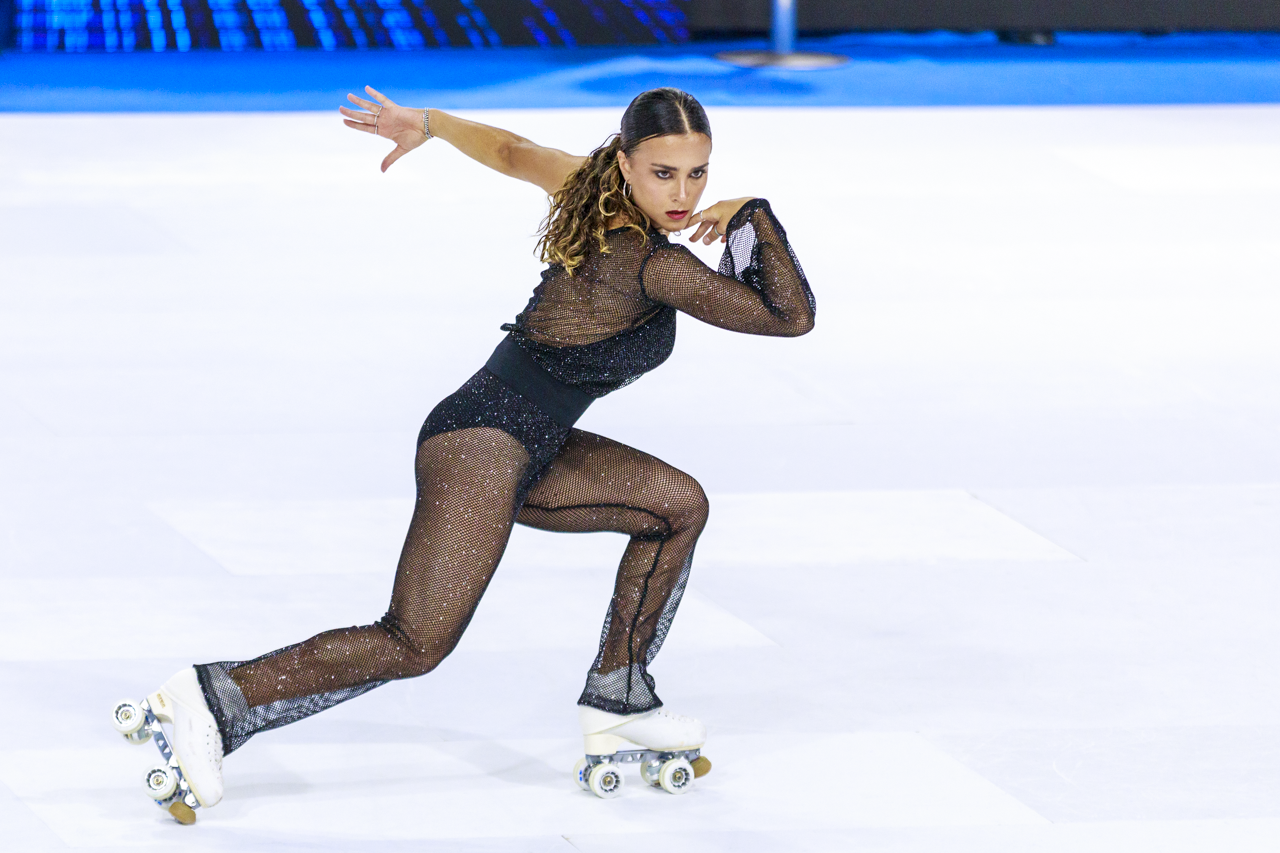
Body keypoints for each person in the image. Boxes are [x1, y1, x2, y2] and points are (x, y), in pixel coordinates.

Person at [112, 86, 815, 819]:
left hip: (528, 442)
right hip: (479, 444)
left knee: (677, 505)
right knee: (415, 640)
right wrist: (753, 214)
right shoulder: (651, 263)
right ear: (626, 163)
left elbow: (513, 152)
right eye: (664, 174)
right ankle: (212, 697)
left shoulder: (587, 185)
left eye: (698, 174)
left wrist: (432, 123)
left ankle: (619, 695)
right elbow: (789, 316)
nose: (683, 194)